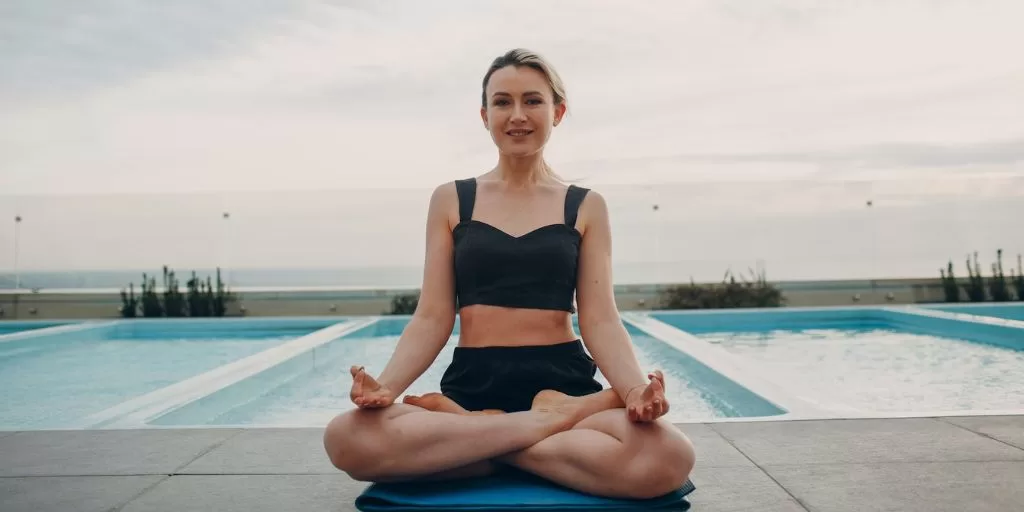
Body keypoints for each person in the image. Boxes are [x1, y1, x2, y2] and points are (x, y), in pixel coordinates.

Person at [323, 48, 696, 500]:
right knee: (346, 439)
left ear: (557, 111)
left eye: (532, 101)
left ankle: (479, 441)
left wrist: (634, 388)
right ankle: (541, 428)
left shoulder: (586, 205)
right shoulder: (451, 199)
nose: (517, 115)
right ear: (484, 115)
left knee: (668, 457)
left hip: (565, 385)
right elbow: (432, 316)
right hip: (474, 384)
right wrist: (387, 387)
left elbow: (600, 318)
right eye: (502, 102)